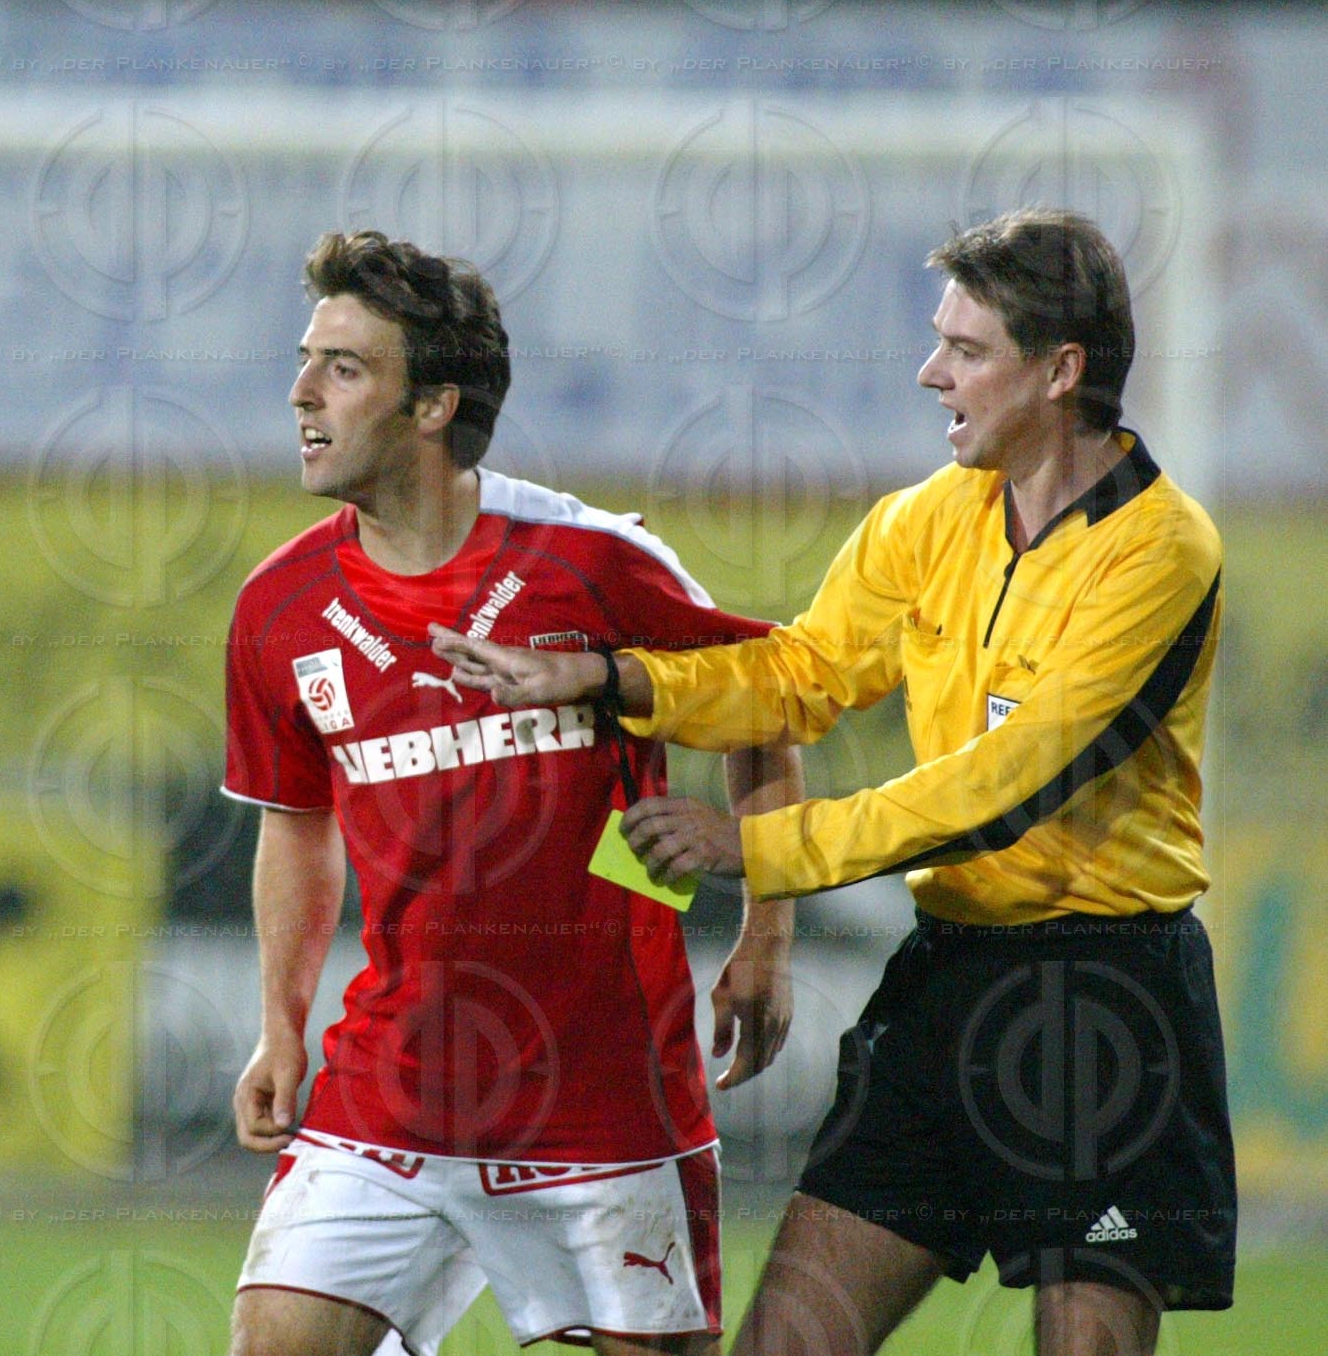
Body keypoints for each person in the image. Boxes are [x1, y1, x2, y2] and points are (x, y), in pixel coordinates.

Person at [433, 208, 1234, 1356]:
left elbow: (999, 789)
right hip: (948, 978)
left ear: (1059, 371)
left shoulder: (1160, 550)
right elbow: (798, 675)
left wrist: (751, 847)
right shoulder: (925, 517)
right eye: (935, 340)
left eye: (964, 350)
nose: (929, 372)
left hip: (1104, 995)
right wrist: (607, 676)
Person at [221, 230, 803, 1356]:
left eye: (343, 368)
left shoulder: (593, 563)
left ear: (432, 406)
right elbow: (296, 827)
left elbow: (766, 707)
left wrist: (765, 939)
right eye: (306, 359)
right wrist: (279, 1027)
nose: (300, 393)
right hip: (389, 1085)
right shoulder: (278, 609)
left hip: (601, 1093)